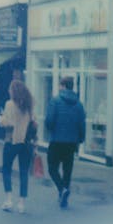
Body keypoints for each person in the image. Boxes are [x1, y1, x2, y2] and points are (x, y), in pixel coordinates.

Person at [45, 75, 86, 209]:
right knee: (67, 171)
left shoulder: (55, 101)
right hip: (71, 143)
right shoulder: (79, 105)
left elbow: (49, 121)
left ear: (62, 86)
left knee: (52, 168)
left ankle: (62, 189)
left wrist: (50, 130)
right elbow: (82, 124)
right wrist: (80, 139)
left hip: (56, 141)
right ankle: (63, 198)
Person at [0, 79, 36, 213]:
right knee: (23, 172)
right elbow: (32, 121)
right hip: (26, 143)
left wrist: (1, 118)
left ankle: (8, 200)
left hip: (12, 141)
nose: (9, 91)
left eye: (10, 89)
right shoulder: (29, 105)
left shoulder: (9, 104)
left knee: (6, 169)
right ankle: (21, 203)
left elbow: (7, 123)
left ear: (13, 91)